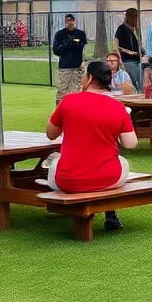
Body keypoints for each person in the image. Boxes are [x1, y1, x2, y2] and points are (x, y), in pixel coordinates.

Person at [46, 60, 137, 231]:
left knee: (54, 162)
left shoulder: (68, 101)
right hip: (107, 177)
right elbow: (130, 143)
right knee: (122, 161)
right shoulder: (118, 107)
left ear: (89, 79)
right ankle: (110, 212)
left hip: (68, 179)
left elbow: (51, 134)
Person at [52, 14, 88, 104]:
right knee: (62, 91)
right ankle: (60, 111)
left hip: (77, 67)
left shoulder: (80, 34)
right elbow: (56, 50)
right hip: (64, 67)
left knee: (77, 91)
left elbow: (82, 48)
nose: (69, 23)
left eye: (71, 20)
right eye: (67, 21)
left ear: (74, 21)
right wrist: (69, 43)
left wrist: (83, 61)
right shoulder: (60, 34)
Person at [114, 8, 143, 85]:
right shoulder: (121, 29)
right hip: (128, 60)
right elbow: (116, 46)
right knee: (134, 82)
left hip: (137, 60)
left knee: (140, 81)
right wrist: (120, 58)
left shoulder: (135, 30)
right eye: (136, 18)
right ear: (132, 18)